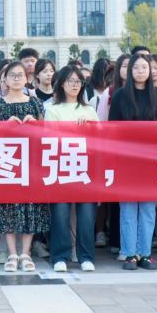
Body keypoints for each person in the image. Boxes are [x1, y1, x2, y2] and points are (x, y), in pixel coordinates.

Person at [108, 52, 157, 270]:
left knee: (149, 210)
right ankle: (129, 253)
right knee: (128, 209)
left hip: (151, 160)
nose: (141, 71)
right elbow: (113, 128)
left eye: (145, 67)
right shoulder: (120, 96)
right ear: (129, 71)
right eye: (136, 68)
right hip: (127, 160)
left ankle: (145, 254)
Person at [0, 61, 49, 273]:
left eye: (20, 75)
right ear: (4, 79)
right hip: (6, 162)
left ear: (27, 78)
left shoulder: (35, 103)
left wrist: (35, 124)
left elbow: (45, 133)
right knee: (8, 206)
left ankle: (26, 253)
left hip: (31, 161)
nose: (16, 78)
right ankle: (12, 253)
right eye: (12, 75)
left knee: (31, 206)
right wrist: (5, 126)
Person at [44, 65, 98, 273]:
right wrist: (76, 130)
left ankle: (86, 256)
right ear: (61, 84)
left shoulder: (89, 110)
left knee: (86, 216)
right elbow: (50, 138)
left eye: (78, 81)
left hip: (86, 168)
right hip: (61, 167)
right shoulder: (53, 109)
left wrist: (89, 127)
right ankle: (60, 256)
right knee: (60, 214)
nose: (75, 85)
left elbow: (101, 140)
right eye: (70, 81)